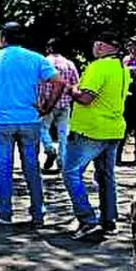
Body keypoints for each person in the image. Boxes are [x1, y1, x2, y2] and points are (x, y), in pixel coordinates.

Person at [0, 22, 62, 226]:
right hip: (29, 120)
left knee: (4, 167)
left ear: (3, 38)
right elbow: (58, 82)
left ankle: (4, 212)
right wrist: (47, 108)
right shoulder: (36, 59)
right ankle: (38, 213)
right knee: (32, 167)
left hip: (2, 121)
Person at [62, 31, 132, 239]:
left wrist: (70, 90)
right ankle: (109, 221)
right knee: (106, 176)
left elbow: (85, 98)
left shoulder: (98, 67)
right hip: (114, 129)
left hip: (90, 129)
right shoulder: (122, 69)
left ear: (100, 46)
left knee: (71, 173)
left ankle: (87, 220)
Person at [41, 40, 80, 174]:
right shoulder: (69, 64)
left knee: (42, 128)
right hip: (65, 103)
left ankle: (49, 148)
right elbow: (76, 84)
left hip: (48, 103)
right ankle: (62, 162)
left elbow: (39, 83)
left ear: (49, 48)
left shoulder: (44, 62)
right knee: (63, 133)